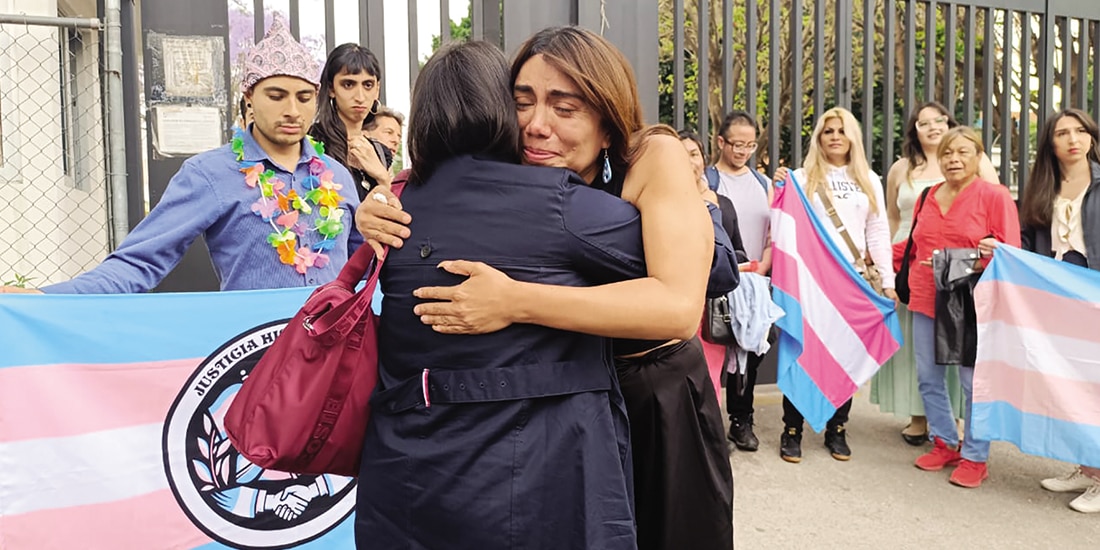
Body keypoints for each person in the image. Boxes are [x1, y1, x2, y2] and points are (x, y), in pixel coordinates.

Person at [358, 26, 737, 550]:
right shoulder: (521, 169)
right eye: (522, 101)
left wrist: (517, 301)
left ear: (608, 121)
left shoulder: (651, 156)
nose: (537, 125)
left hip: (655, 388)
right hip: (573, 403)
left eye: (565, 107)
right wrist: (380, 206)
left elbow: (681, 303)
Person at [0, 14, 361, 295]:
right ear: (249, 97)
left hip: (339, 354)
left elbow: (368, 266)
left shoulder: (336, 176)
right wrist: (43, 298)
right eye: (276, 95)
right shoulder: (210, 173)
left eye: (303, 97)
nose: (292, 112)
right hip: (257, 355)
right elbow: (139, 262)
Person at [773, 106, 896, 463]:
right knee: (803, 353)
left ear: (852, 136)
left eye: (842, 131)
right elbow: (781, 223)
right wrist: (780, 187)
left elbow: (877, 231)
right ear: (819, 138)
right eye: (828, 131)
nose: (835, 137)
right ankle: (791, 430)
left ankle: (837, 429)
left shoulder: (869, 179)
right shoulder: (800, 176)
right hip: (810, 282)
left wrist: (887, 281)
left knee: (846, 354)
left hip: (853, 280)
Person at [874, 102, 996, 445]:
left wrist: (967, 263)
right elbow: (896, 222)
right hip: (914, 270)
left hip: (963, 279)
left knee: (961, 360)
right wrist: (885, 265)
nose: (931, 127)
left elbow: (997, 232)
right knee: (921, 356)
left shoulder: (983, 176)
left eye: (938, 120)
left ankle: (964, 437)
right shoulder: (907, 173)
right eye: (922, 123)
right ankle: (927, 423)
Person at [908, 126, 1020, 488]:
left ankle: (975, 456)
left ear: (978, 157)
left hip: (972, 303)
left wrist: (965, 260)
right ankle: (944, 441)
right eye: (946, 154)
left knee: (973, 383)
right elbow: (912, 246)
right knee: (929, 377)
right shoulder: (927, 195)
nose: (953, 159)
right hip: (925, 297)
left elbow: (1009, 253)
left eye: (962, 153)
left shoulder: (994, 196)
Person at [1018, 108, 1100, 512]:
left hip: (1095, 288)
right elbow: (1029, 241)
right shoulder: (1042, 185)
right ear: (1050, 142)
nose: (1072, 139)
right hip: (1058, 291)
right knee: (1073, 380)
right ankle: (1087, 466)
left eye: (1080, 131)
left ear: (1090, 137)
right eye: (1062, 133)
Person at [707, 111, 774, 452]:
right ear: (720, 141)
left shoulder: (763, 184)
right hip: (719, 279)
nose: (743, 151)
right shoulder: (709, 180)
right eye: (737, 144)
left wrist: (763, 265)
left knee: (750, 354)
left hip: (755, 281)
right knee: (716, 350)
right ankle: (709, 422)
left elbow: (772, 233)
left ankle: (741, 420)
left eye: (750, 145)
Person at [308, 43, 392, 200]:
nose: (360, 96)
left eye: (368, 85)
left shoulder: (380, 151)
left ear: (377, 89)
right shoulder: (311, 143)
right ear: (332, 88)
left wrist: (382, 177)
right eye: (348, 84)